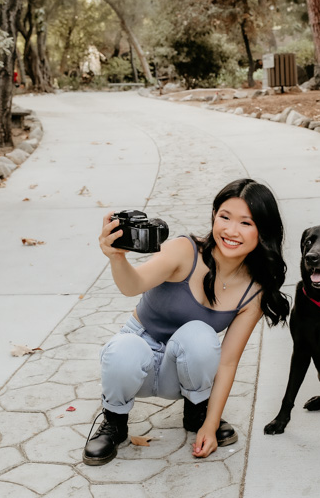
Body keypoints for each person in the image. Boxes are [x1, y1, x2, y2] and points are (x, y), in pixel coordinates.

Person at [83, 178, 290, 465]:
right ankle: (114, 422)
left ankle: (197, 414)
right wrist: (117, 258)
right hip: (137, 359)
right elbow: (134, 285)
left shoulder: (254, 291)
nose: (231, 230)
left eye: (246, 223)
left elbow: (228, 362)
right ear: (214, 217)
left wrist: (211, 424)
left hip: (180, 371)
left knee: (200, 335)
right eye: (224, 217)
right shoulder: (184, 250)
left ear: (263, 231)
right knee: (124, 349)